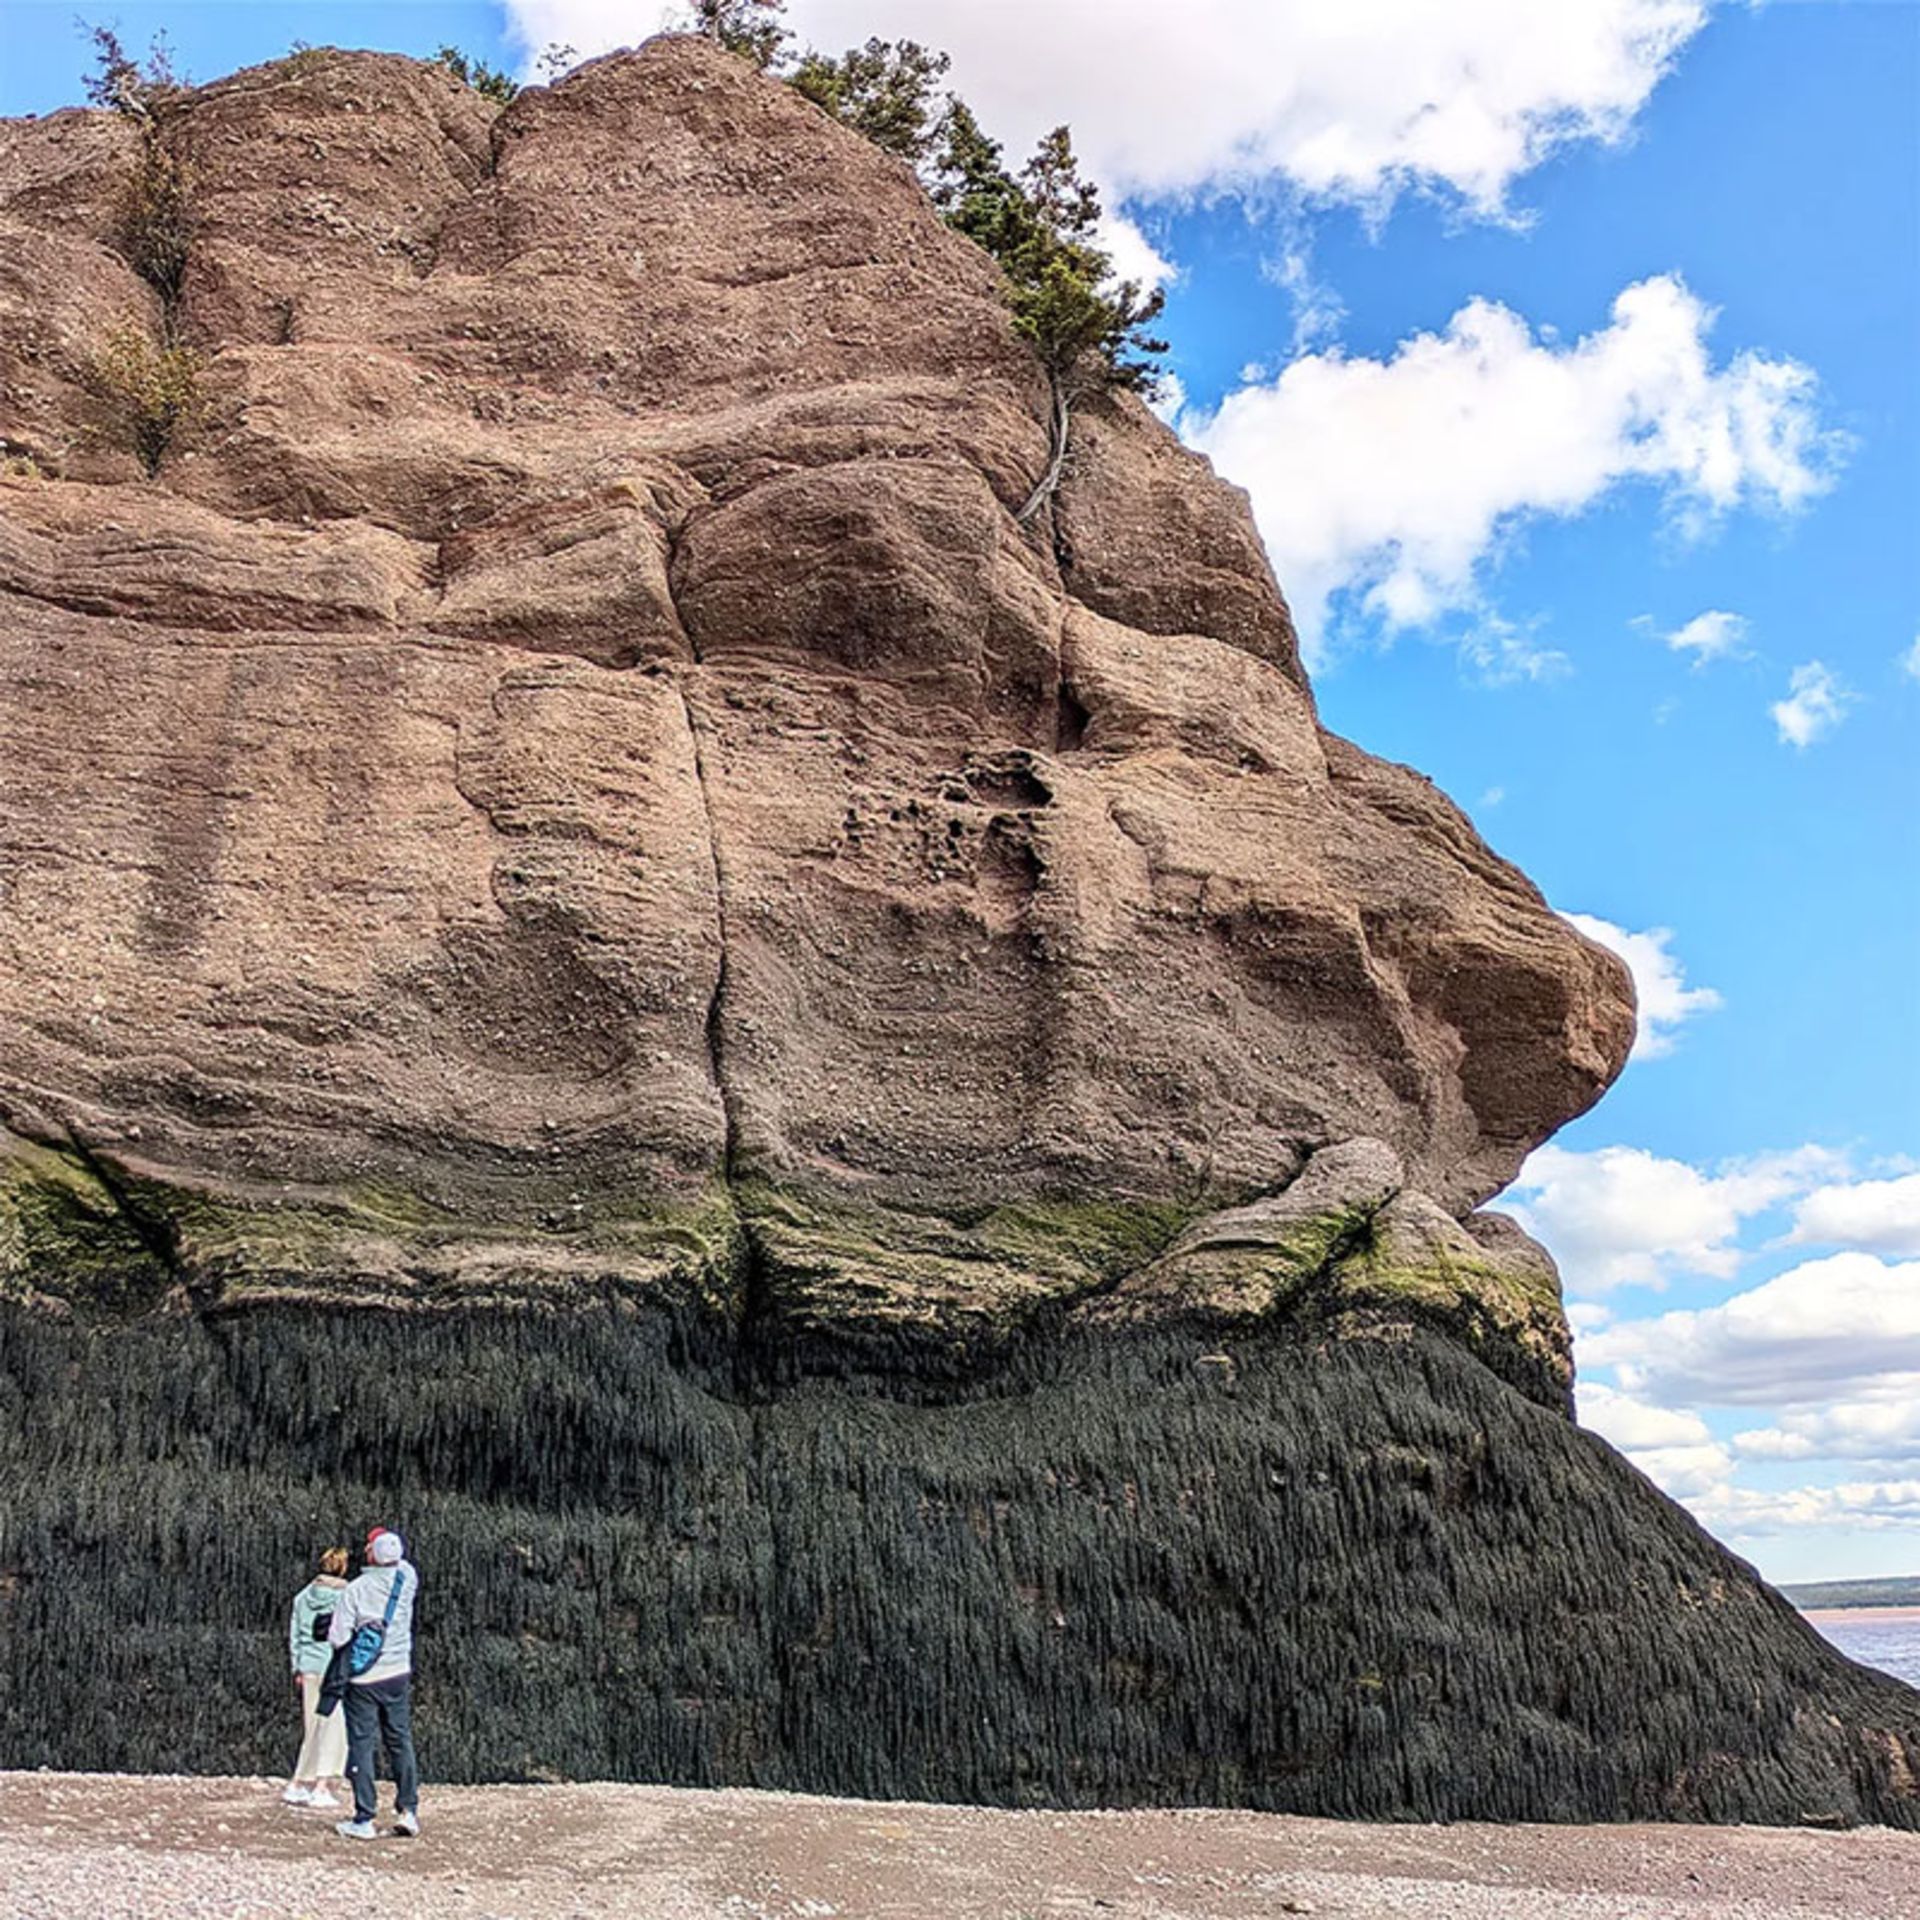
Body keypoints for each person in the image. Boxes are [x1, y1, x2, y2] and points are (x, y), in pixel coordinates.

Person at [326, 1525, 421, 1840]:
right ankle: (408, 1811)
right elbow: (400, 1562)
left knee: (362, 1745)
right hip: (398, 1674)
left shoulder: (356, 1588)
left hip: (363, 1680)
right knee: (400, 1741)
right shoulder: (407, 1579)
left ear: (373, 1556)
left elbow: (338, 1637)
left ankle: (364, 1818)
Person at [283, 1546, 350, 1808]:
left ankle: (298, 1783)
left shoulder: (302, 1597)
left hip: (309, 1667)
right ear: (343, 1567)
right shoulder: (346, 1596)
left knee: (312, 1726)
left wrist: (297, 1667)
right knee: (333, 1726)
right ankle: (322, 1786)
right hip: (334, 1667)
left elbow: (295, 1636)